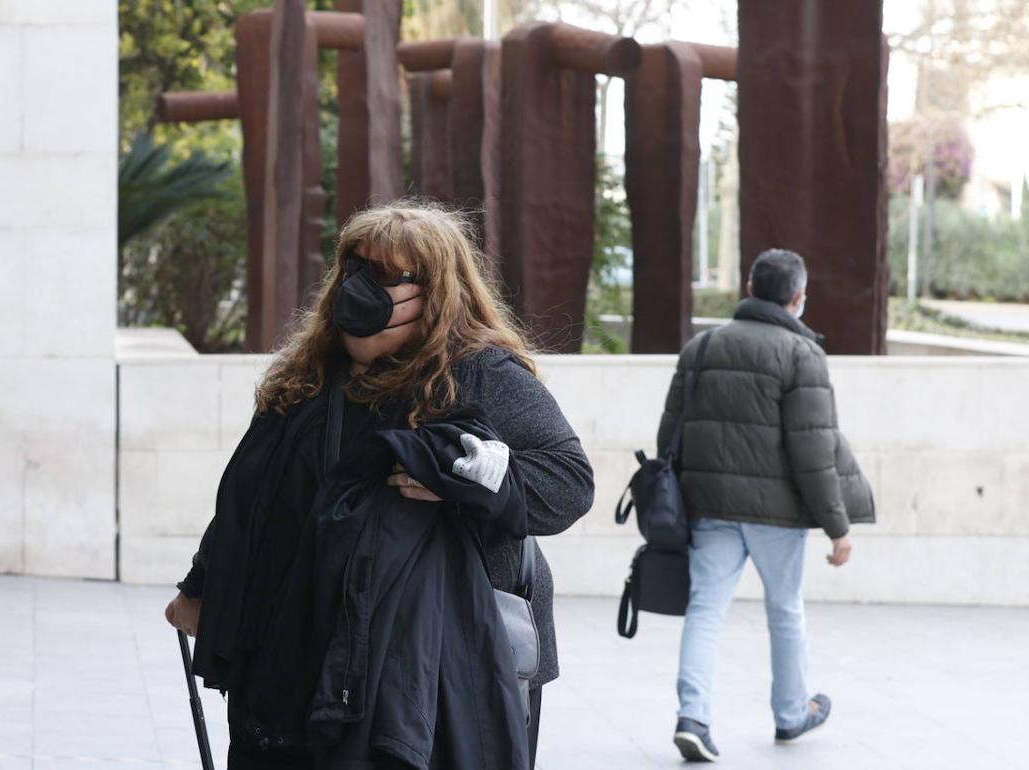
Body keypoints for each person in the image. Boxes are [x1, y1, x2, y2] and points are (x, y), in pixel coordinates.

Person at [165, 201, 594, 769]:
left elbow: (568, 482)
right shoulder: (307, 376)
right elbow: (251, 500)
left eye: (388, 275)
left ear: (435, 292)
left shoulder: (478, 373)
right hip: (289, 649)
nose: (362, 285)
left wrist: (456, 478)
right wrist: (199, 588)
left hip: (428, 669)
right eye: (354, 267)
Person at [656, 248, 875, 762]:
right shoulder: (802, 356)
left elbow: (671, 432)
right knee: (785, 611)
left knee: (706, 612)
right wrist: (837, 526)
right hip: (778, 516)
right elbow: (814, 450)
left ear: (750, 287)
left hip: (709, 509)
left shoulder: (703, 346)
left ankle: (694, 718)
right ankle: (791, 713)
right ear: (798, 299)